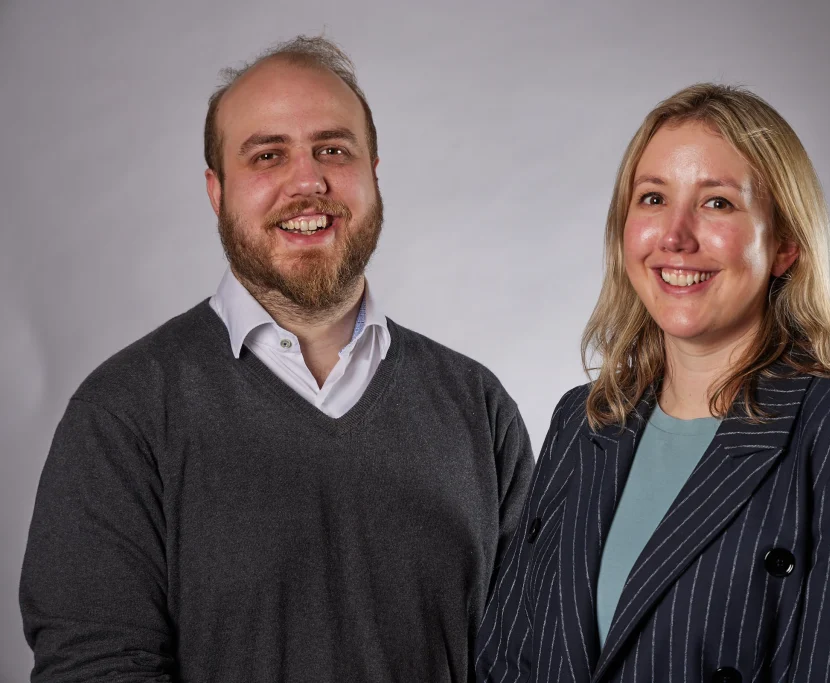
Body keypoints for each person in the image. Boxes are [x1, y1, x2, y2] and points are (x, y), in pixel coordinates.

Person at [20, 35, 534, 683]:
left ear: (374, 172)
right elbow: (93, 667)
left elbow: (532, 655)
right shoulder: (124, 414)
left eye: (333, 150)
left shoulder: (477, 407)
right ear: (217, 191)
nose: (307, 181)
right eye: (268, 155)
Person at [475, 83, 830, 682]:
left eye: (717, 203)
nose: (675, 236)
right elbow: (505, 664)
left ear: (786, 244)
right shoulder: (585, 419)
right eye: (653, 198)